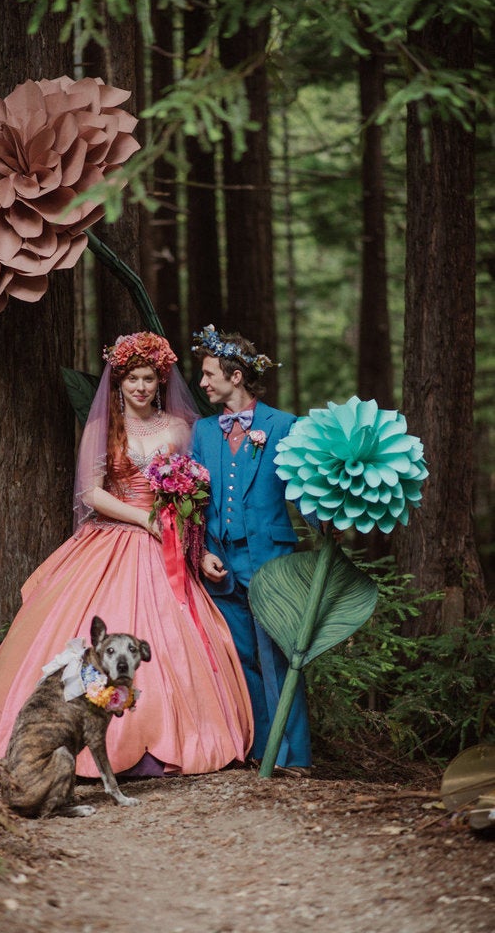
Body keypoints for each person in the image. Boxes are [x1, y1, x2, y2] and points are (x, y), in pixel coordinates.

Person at [0, 331, 252, 777]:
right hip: (114, 537)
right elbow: (91, 493)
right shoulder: (104, 428)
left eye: (148, 379)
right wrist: (141, 519)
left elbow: (196, 495)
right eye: (132, 380)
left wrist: (185, 540)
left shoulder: (181, 428)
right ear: (118, 382)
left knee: (176, 637)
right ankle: (58, 737)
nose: (141, 388)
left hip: (167, 544)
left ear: (160, 381)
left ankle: (170, 738)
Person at [191, 325, 315, 775]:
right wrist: (202, 552)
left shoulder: (283, 426)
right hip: (222, 562)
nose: (202, 383)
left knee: (278, 657)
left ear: (236, 376)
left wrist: (326, 527)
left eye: (209, 374)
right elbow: (194, 502)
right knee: (241, 659)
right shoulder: (203, 432)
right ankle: (263, 752)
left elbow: (305, 491)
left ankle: (294, 758)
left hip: (272, 561)